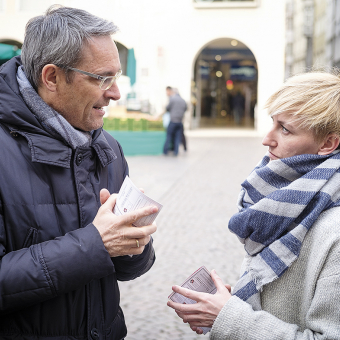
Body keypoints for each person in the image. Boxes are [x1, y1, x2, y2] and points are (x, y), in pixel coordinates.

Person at [0, 5, 158, 340]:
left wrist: (135, 244)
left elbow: (127, 268)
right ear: (52, 77)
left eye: (116, 76)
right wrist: (96, 243)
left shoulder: (108, 148)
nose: (115, 92)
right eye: (103, 78)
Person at [167, 71, 340, 339]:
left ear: (328, 143)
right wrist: (231, 304)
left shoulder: (335, 231)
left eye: (285, 129)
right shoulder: (282, 204)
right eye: (272, 123)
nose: (266, 139)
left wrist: (228, 317)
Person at [163, 86, 187, 156]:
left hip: (173, 120)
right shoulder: (183, 100)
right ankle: (176, 152)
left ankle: (165, 151)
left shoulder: (172, 99)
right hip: (180, 121)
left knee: (169, 136)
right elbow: (186, 109)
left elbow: (167, 108)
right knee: (177, 137)